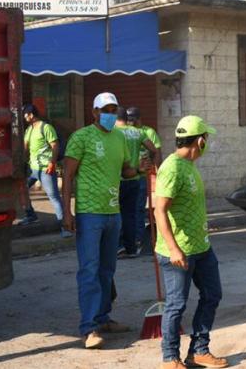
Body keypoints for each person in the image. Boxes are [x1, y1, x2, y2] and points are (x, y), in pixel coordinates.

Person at [61, 92, 145, 349]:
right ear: (94, 112)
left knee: (107, 270)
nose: (110, 113)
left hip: (113, 213)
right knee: (89, 270)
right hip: (89, 214)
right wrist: (67, 212)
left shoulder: (120, 137)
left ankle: (103, 318)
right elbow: (68, 174)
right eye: (105, 109)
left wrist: (141, 167)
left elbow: (125, 171)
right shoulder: (81, 137)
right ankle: (89, 329)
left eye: (113, 109)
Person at [154, 115, 227, 369]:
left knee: (212, 295)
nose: (206, 143)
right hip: (179, 252)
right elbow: (159, 210)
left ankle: (199, 351)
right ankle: (170, 358)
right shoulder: (172, 168)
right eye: (205, 138)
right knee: (176, 305)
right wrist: (174, 249)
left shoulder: (190, 166)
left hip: (202, 248)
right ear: (198, 140)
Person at [20, 104, 71, 237]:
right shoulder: (29, 129)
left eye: (25, 114)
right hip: (33, 168)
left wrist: (52, 163)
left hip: (46, 169)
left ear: (31, 114)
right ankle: (31, 214)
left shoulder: (46, 127)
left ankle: (65, 227)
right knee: (22, 189)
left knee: (53, 197)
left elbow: (55, 145)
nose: (24, 117)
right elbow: (25, 148)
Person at [115, 107, 158, 259]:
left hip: (118, 180)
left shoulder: (114, 133)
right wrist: (149, 164)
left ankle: (119, 246)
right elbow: (153, 149)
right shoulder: (138, 132)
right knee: (130, 215)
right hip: (135, 178)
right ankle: (131, 248)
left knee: (117, 214)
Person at [127, 106, 163, 250]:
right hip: (126, 175)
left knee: (139, 209)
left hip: (141, 177)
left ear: (139, 119)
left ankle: (139, 239)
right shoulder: (127, 132)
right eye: (127, 120)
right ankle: (129, 239)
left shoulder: (148, 132)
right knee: (128, 210)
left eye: (132, 120)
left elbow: (157, 151)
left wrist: (159, 173)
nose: (129, 123)